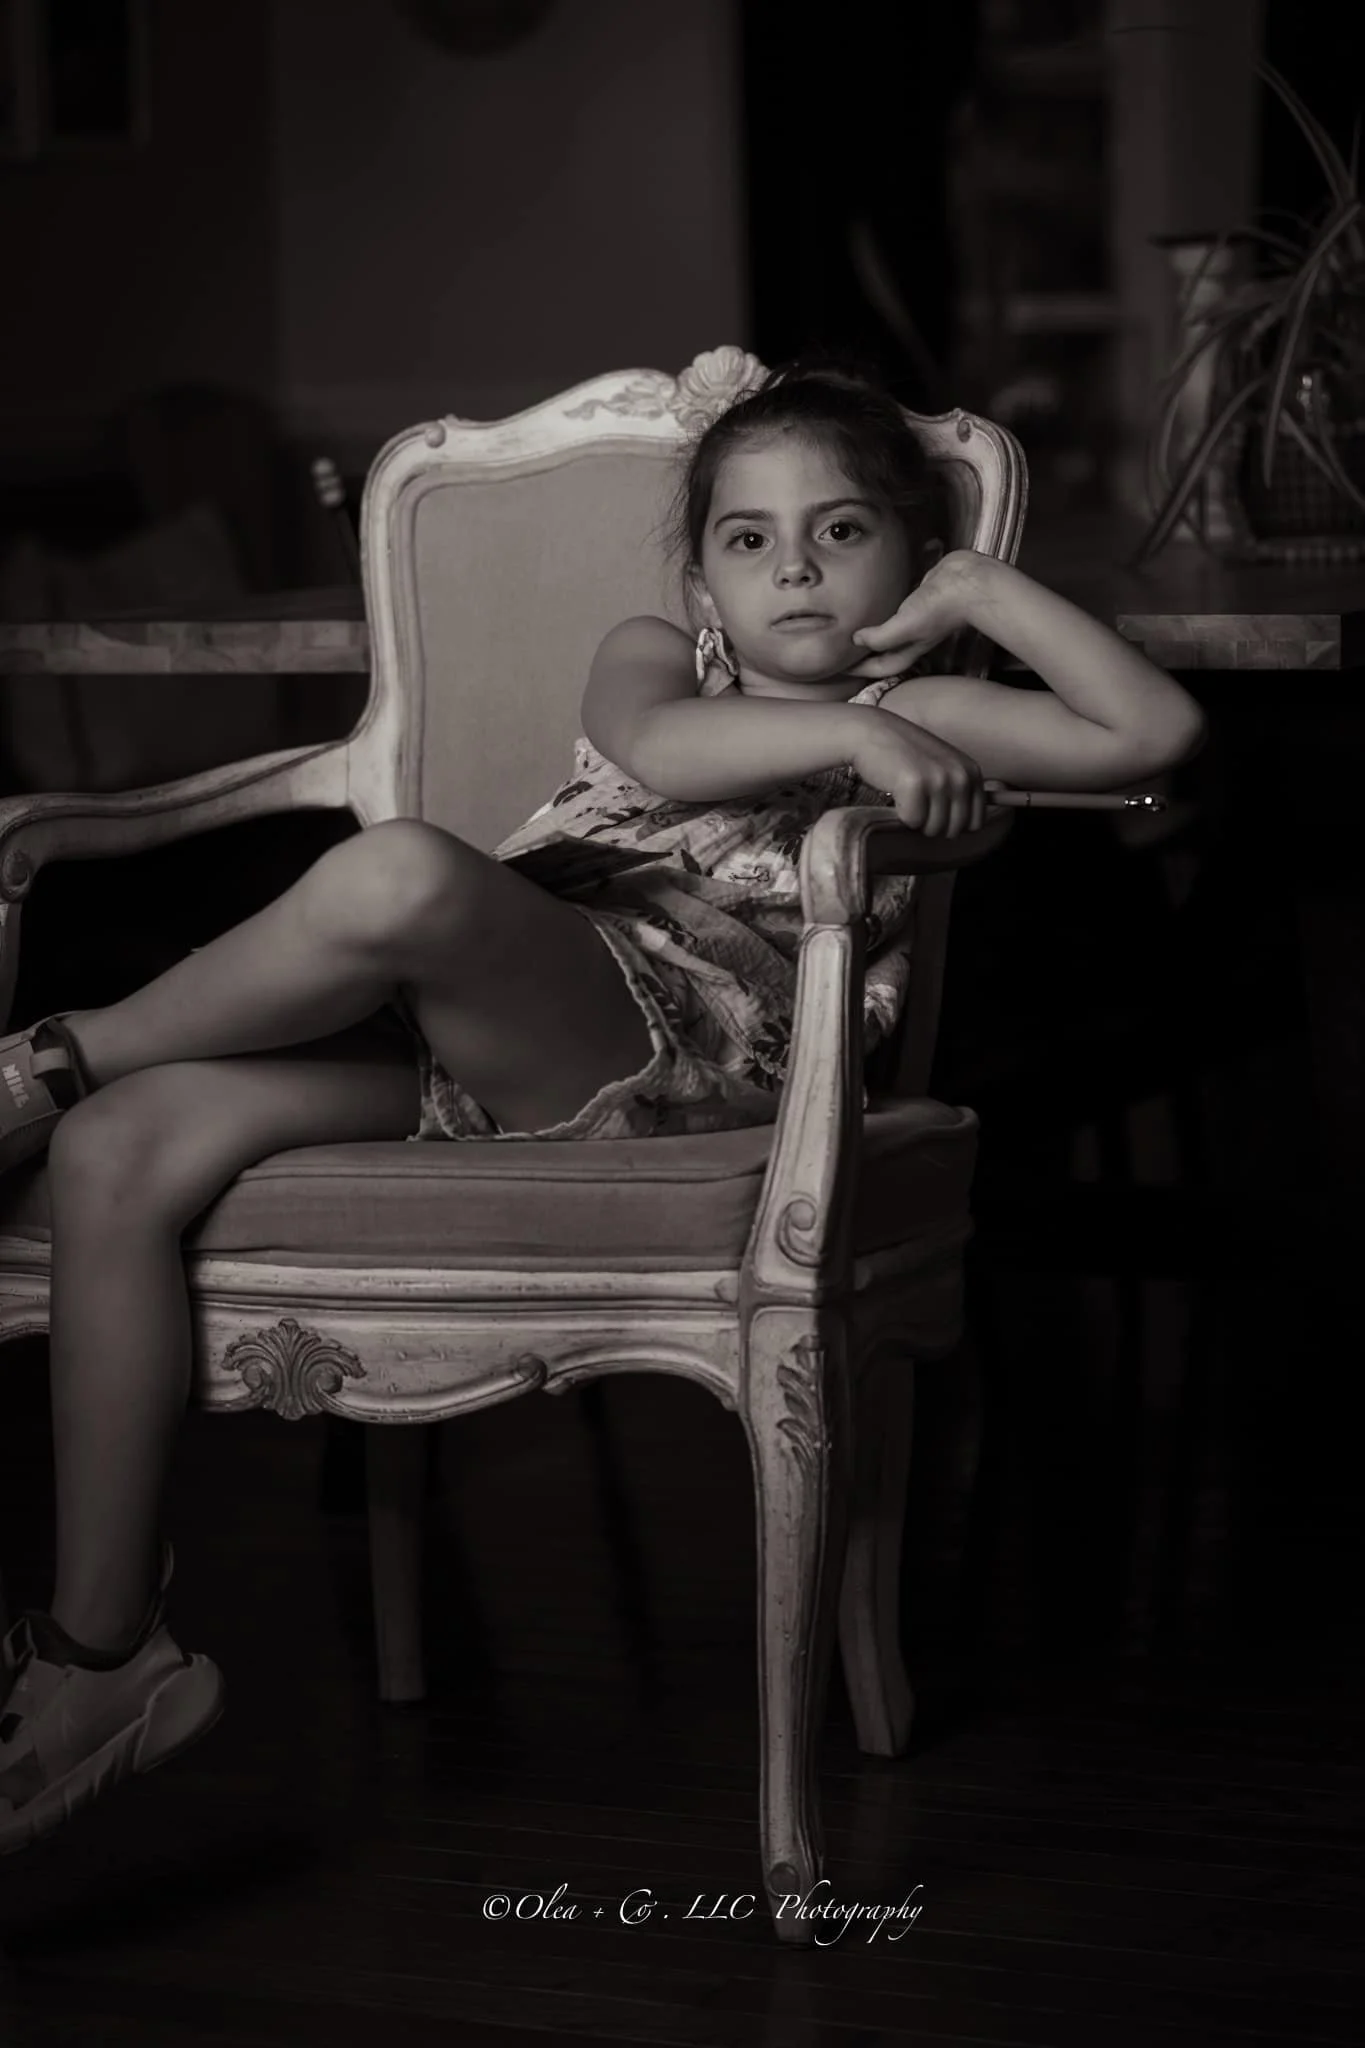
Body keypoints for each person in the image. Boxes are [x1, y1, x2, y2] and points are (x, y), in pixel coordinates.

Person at [0, 359, 1206, 1852]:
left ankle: (41, 1061)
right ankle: (104, 1658)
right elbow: (665, 753)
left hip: (685, 1068)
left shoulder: (931, 697)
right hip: (492, 1020)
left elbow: (1153, 740)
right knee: (123, 1149)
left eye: (844, 534)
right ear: (700, 575)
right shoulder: (656, 662)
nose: (797, 572)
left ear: (905, 556)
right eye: (750, 540)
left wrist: (981, 595)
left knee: (401, 875)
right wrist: (863, 743)